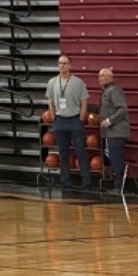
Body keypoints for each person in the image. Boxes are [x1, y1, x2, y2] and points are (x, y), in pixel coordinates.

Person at [46, 55, 90, 190]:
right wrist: (54, 118)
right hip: (60, 120)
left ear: (70, 65)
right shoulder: (52, 82)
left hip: (75, 120)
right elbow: (50, 101)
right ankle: (65, 182)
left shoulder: (78, 82)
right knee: (63, 154)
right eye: (60, 63)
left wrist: (81, 119)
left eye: (65, 63)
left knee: (81, 152)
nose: (62, 66)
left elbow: (84, 102)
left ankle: (86, 182)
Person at [97, 68, 130, 186]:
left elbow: (123, 109)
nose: (100, 78)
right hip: (109, 133)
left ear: (110, 77)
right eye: (99, 76)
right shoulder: (105, 91)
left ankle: (119, 186)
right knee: (111, 157)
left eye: (103, 76)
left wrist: (109, 120)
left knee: (116, 159)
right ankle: (115, 184)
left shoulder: (114, 90)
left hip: (117, 132)